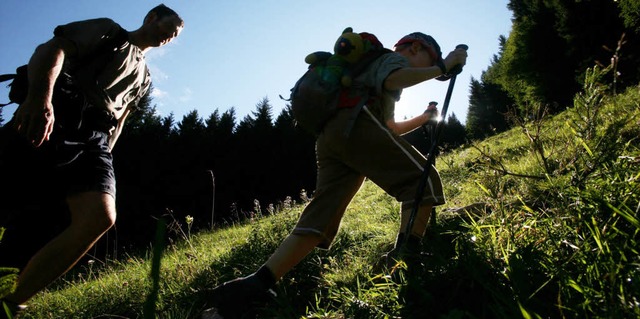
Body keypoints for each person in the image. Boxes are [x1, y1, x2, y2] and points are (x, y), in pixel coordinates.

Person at [205, 32, 467, 318]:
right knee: (421, 180)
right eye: (429, 59)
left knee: (323, 212)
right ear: (416, 47)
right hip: (355, 124)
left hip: (331, 136)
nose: (426, 67)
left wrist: (422, 119)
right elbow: (394, 80)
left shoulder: (367, 73)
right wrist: (443, 68)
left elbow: (387, 128)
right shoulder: (389, 59)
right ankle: (407, 261)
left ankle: (259, 281)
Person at [0, 4, 183, 315]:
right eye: (168, 27)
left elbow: (122, 117)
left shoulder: (145, 77)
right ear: (151, 17)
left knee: (100, 217)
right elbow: (52, 49)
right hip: (61, 114)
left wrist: (106, 152)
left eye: (175, 35)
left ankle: (11, 303)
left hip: (95, 139)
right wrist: (40, 98)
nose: (169, 36)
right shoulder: (109, 31)